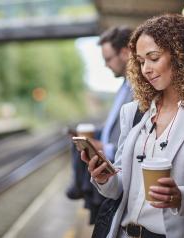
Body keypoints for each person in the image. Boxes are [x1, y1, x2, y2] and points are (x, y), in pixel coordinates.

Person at [81, 14, 184, 238]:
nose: (145, 68)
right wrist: (104, 178)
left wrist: (182, 198)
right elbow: (119, 188)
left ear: (180, 56)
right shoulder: (134, 112)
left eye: (153, 57)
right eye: (140, 61)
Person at [66, 26, 134, 223]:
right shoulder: (124, 86)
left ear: (124, 52)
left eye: (108, 59)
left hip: (118, 172)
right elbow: (117, 125)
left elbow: (135, 132)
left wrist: (105, 147)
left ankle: (78, 187)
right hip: (109, 174)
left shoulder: (137, 89)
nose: (105, 65)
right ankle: (79, 186)